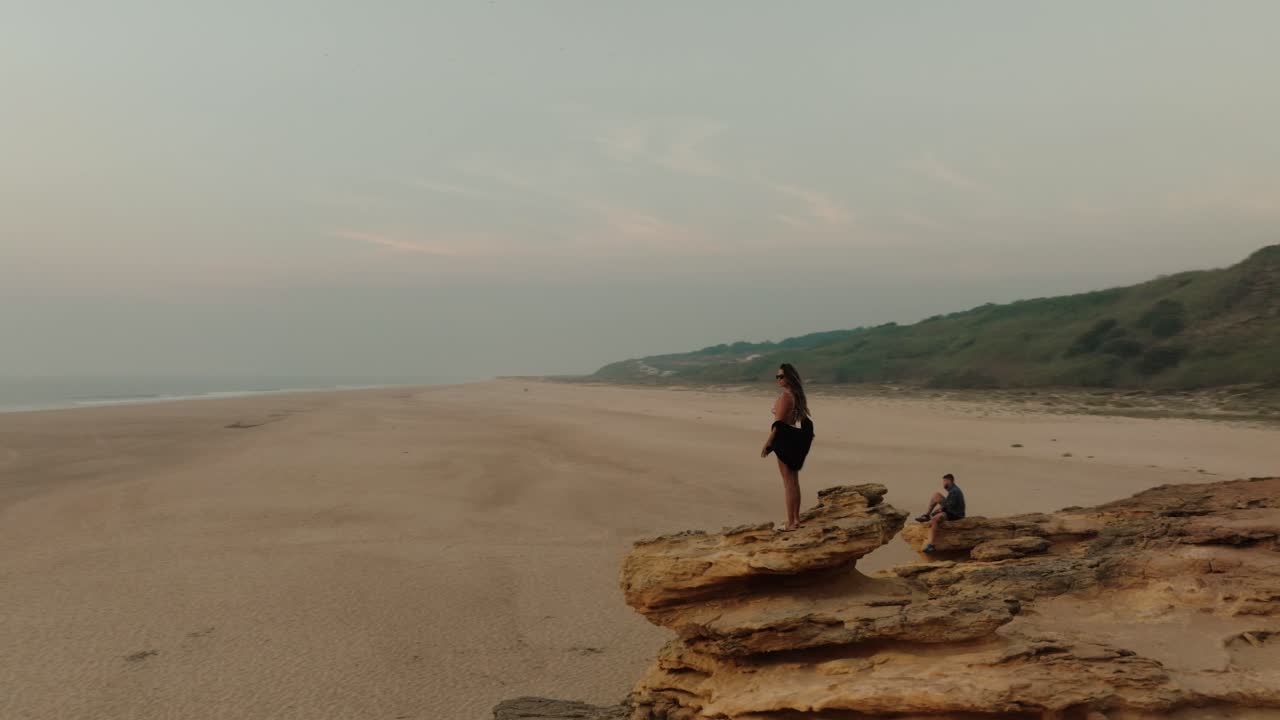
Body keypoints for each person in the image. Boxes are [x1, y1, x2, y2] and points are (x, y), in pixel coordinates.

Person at [761, 363, 815, 531]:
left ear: (789, 378)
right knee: (793, 482)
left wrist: (768, 443)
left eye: (781, 376)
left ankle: (791, 522)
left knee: (788, 483)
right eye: (777, 377)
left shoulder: (786, 397)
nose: (778, 379)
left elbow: (778, 424)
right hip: (791, 438)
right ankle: (796, 519)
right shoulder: (797, 396)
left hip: (784, 439)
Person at [915, 473, 965, 553]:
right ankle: (926, 515)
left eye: (944, 481)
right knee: (936, 495)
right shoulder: (952, 490)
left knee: (935, 519)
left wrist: (939, 510)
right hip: (952, 510)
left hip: (955, 514)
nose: (943, 483)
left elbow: (950, 507)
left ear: (949, 481)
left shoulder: (954, 491)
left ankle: (931, 545)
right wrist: (940, 509)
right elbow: (949, 504)